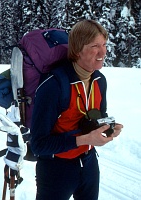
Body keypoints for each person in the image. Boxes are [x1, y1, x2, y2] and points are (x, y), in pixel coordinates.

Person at [30, 19, 123, 200]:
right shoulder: (54, 86)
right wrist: (83, 139)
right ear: (78, 50)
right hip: (56, 170)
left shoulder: (99, 81)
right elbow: (39, 145)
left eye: (104, 44)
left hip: (88, 164)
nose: (103, 52)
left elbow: (96, 116)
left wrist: (108, 126)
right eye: (95, 46)